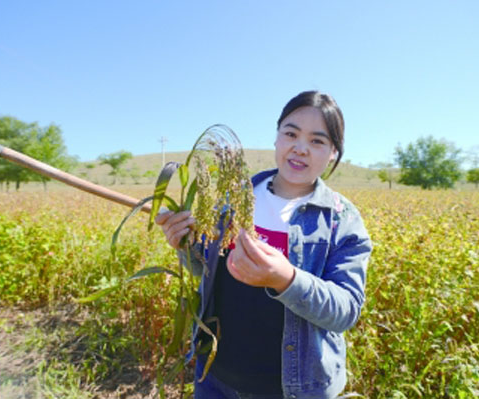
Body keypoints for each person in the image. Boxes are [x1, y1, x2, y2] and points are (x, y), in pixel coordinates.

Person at [155, 91, 372, 399]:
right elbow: (205, 269)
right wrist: (184, 243)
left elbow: (347, 310)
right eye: (291, 134)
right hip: (215, 377)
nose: (300, 148)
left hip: (293, 390)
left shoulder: (341, 220)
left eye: (317, 141)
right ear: (276, 138)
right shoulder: (234, 199)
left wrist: (286, 279)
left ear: (334, 152)